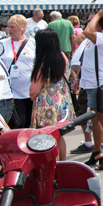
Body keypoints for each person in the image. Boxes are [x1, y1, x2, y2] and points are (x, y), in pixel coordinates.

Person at [74, 8, 103, 171]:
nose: (90, 23)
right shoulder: (98, 39)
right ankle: (97, 151)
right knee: (95, 118)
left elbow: (86, 32)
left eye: (93, 21)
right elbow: (85, 58)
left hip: (102, 84)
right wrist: (79, 78)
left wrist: (99, 15)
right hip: (92, 83)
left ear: (101, 24)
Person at [29, 29, 74, 161]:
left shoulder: (43, 62)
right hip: (63, 101)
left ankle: (53, 166)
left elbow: (34, 89)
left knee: (48, 138)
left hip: (46, 105)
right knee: (59, 136)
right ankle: (63, 164)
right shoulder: (63, 57)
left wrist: (32, 97)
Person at [0, 14, 37, 128]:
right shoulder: (2, 44)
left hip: (30, 89)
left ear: (22, 27)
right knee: (19, 122)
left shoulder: (32, 43)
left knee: (30, 121)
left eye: (12, 27)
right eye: (8, 27)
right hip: (12, 90)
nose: (9, 30)